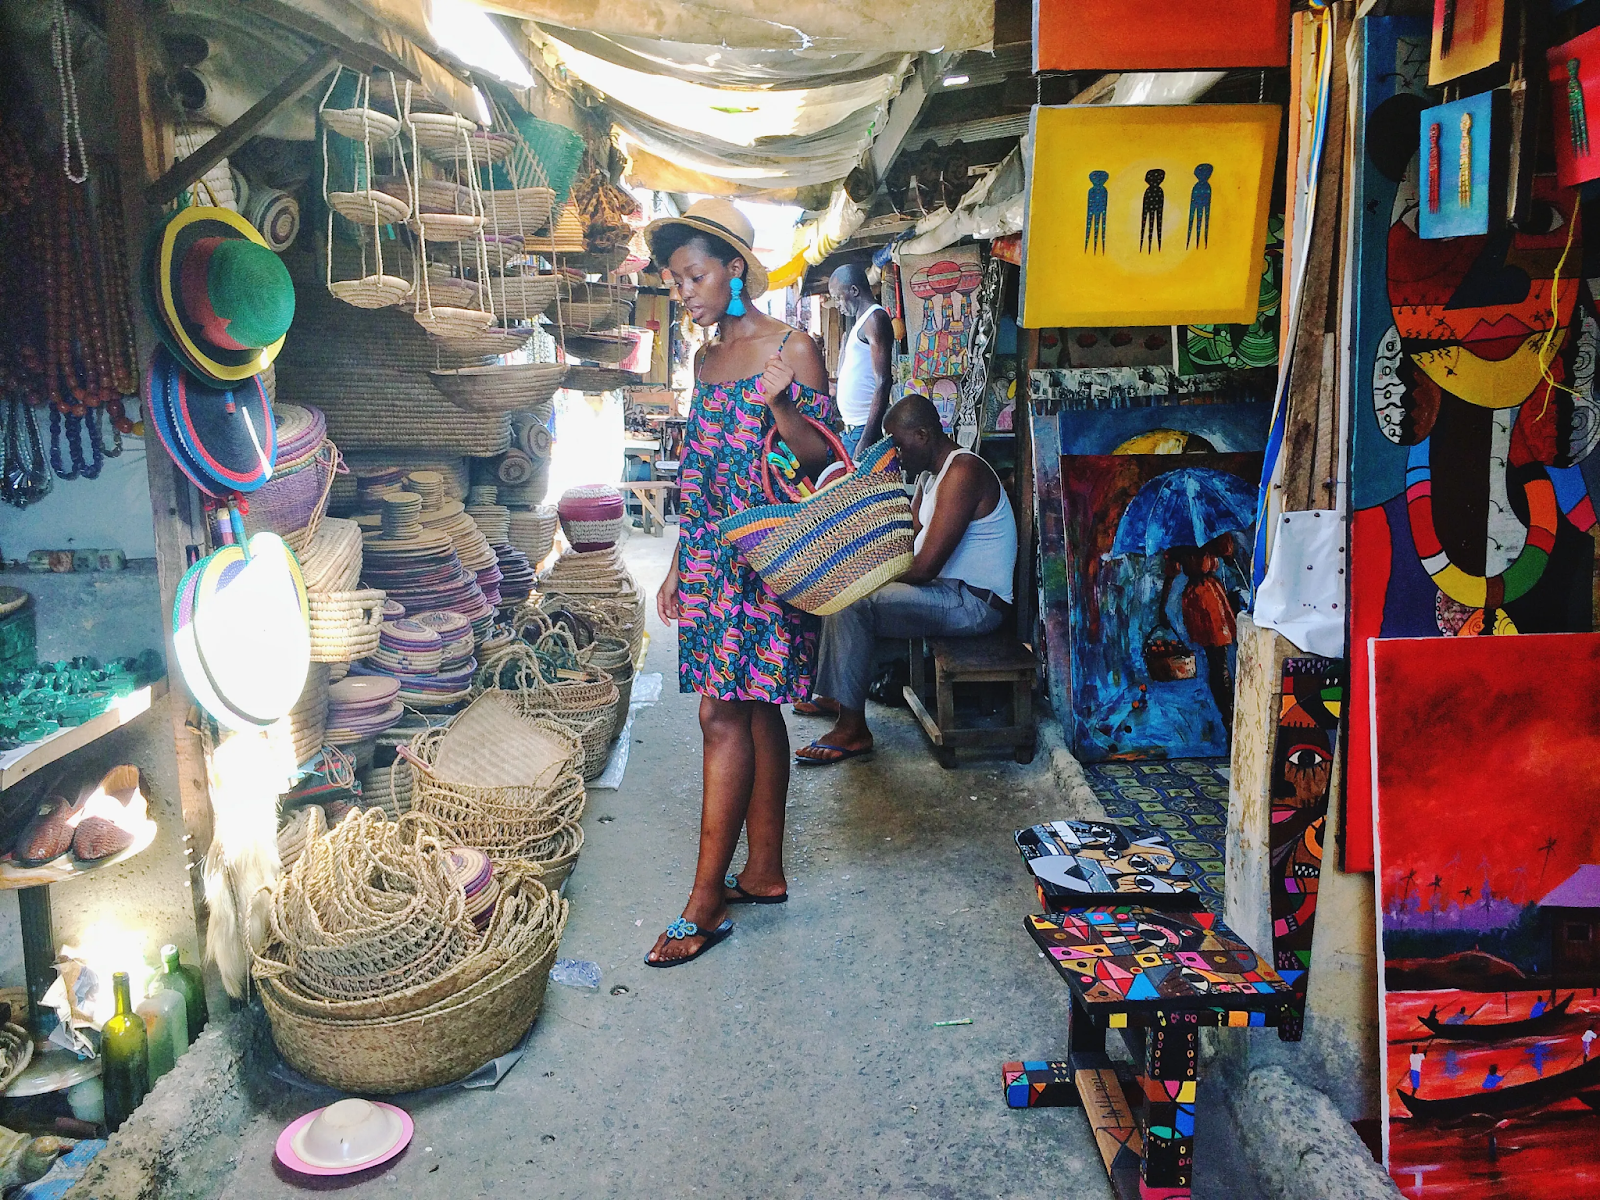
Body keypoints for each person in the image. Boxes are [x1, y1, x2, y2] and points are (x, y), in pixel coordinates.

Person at [645, 199, 834, 966]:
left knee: (722, 716)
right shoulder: (702, 360)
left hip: (770, 558)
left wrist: (784, 401)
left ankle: (704, 901)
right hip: (712, 559)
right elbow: (700, 472)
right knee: (753, 717)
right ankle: (764, 871)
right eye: (674, 279)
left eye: (693, 275)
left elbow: (822, 459)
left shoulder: (794, 346)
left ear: (733, 270)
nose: (683, 290)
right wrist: (676, 563)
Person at [796, 393, 1017, 764]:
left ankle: (852, 730)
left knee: (853, 601)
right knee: (839, 590)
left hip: (974, 604)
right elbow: (903, 541)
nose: (895, 454)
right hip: (947, 594)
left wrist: (861, 577)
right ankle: (839, 695)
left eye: (899, 444)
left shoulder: (963, 471)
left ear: (924, 435)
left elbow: (924, 565)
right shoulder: (931, 477)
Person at [828, 264, 893, 454]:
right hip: (853, 431)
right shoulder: (861, 323)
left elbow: (884, 381)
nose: (837, 305)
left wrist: (866, 439)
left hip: (864, 430)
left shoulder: (874, 319)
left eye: (838, 298)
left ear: (854, 290)